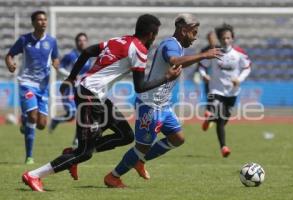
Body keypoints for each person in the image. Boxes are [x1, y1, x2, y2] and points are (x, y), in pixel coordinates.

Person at [21, 14, 181, 192]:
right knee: (84, 153)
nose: (154, 38)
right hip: (90, 95)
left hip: (97, 96)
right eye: (155, 34)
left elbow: (87, 51)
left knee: (126, 135)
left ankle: (72, 154)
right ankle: (34, 175)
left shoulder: (119, 40)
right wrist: (166, 77)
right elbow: (140, 86)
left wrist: (71, 78)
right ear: (151, 34)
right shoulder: (140, 50)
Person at [104, 13, 222, 188]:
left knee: (178, 138)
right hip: (149, 105)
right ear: (184, 30)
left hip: (163, 105)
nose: (195, 37)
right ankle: (113, 176)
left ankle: (140, 161)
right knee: (142, 147)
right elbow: (174, 61)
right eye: (194, 33)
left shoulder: (179, 46)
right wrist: (203, 55)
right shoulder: (170, 45)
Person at [5, 10, 59, 164]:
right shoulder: (24, 40)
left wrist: (57, 65)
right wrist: (10, 64)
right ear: (34, 23)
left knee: (42, 124)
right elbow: (9, 55)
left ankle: (24, 119)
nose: (43, 22)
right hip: (27, 83)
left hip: (43, 87)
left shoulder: (52, 41)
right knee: (33, 118)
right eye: (40, 20)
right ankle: (29, 156)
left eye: (45, 20)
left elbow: (55, 58)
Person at [199, 23, 251, 157]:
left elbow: (247, 68)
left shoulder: (239, 53)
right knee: (219, 115)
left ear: (232, 38)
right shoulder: (214, 52)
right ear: (219, 39)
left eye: (228, 38)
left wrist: (239, 79)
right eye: (223, 38)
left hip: (232, 92)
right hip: (216, 90)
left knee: (223, 119)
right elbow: (202, 66)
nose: (226, 41)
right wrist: (204, 76)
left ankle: (210, 120)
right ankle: (224, 147)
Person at [49, 33, 92, 147]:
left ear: (87, 42)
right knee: (72, 114)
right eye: (79, 40)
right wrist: (71, 75)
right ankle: (56, 120)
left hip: (82, 89)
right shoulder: (71, 56)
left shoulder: (88, 56)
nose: (82, 42)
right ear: (76, 42)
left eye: (84, 40)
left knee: (82, 113)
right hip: (69, 89)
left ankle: (77, 139)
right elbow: (59, 67)